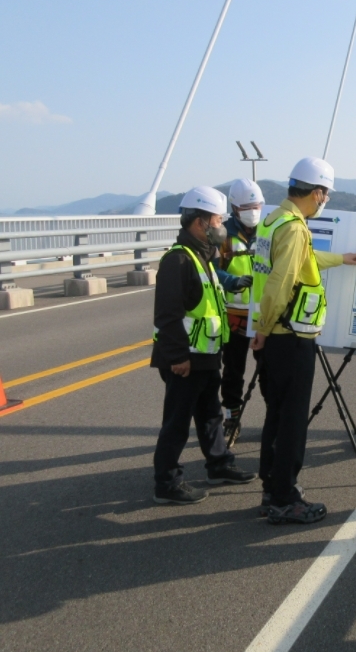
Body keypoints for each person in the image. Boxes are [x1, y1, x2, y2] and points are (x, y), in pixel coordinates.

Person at [250, 157, 356, 525]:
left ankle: (271, 488)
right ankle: (285, 499)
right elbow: (282, 283)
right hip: (290, 337)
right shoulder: (296, 228)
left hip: (274, 337)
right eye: (325, 195)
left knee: (276, 415)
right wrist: (265, 327)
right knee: (293, 422)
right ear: (315, 193)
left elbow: (302, 261)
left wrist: (341, 259)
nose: (324, 201)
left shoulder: (273, 220)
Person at [151, 186, 257, 505]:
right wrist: (177, 357)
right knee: (177, 423)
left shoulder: (202, 256)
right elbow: (167, 315)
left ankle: (219, 465)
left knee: (211, 416)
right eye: (217, 219)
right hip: (186, 359)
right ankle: (167, 483)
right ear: (200, 222)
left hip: (207, 355)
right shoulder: (178, 261)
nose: (221, 225)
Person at [213, 178, 264, 446]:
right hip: (234, 315)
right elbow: (211, 269)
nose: (252, 212)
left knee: (269, 371)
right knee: (233, 372)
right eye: (246, 207)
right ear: (234, 208)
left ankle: (275, 419)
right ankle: (232, 420)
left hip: (263, 315)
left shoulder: (269, 231)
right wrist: (232, 281)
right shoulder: (222, 235)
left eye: (256, 206)